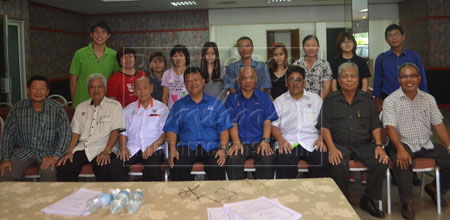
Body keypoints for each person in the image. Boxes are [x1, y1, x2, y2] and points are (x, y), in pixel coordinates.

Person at [318, 62, 388, 218]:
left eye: (353, 76)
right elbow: (324, 127)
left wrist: (378, 145)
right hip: (340, 145)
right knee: (336, 162)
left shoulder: (368, 100)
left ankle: (368, 199)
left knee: (381, 161)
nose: (349, 79)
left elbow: (375, 125)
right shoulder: (330, 99)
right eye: (345, 76)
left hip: (364, 144)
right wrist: (331, 148)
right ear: (339, 80)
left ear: (358, 79)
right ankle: (343, 200)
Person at [382, 63, 450, 220]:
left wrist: (448, 146)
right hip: (400, 142)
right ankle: (407, 202)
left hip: (425, 143)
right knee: (403, 161)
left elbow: (439, 125)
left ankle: (434, 189)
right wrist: (399, 148)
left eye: (412, 76)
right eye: (404, 76)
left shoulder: (428, 99)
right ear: (399, 79)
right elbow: (390, 128)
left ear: (419, 78)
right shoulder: (391, 101)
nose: (409, 79)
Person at [163, 67, 232, 181]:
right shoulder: (178, 106)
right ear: (184, 84)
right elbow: (172, 130)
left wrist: (223, 149)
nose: (193, 83)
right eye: (189, 81)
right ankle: (183, 198)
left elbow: (224, 129)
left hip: (211, 146)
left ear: (203, 81)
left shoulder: (216, 103)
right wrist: (172, 149)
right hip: (186, 146)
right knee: (178, 165)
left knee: (217, 164)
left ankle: (216, 198)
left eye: (196, 80)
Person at [0, 76, 71, 181]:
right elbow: (7, 134)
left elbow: (66, 134)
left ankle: (47, 198)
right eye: (34, 88)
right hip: (24, 151)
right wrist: (5, 158)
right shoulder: (17, 108)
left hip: (48, 152)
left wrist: (56, 156)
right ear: (28, 90)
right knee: (5, 172)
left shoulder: (57, 109)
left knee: (49, 172)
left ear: (47, 92)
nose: (38, 91)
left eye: (42, 88)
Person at [57, 74, 124, 181]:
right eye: (92, 87)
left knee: (104, 167)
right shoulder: (81, 107)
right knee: (64, 166)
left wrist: (107, 151)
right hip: (83, 147)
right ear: (88, 90)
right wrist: (69, 152)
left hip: (104, 147)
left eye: (99, 87)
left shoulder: (115, 106)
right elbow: (75, 132)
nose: (96, 90)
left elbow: (115, 132)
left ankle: (102, 197)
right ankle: (73, 197)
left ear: (105, 89)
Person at [272, 65, 329, 178]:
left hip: (312, 142)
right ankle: (287, 195)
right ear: (286, 83)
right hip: (288, 142)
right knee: (284, 163)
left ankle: (318, 194)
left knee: (322, 161)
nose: (295, 83)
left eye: (298, 80)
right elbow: (274, 126)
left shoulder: (316, 99)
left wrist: (321, 138)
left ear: (304, 83)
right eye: (291, 80)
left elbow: (324, 123)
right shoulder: (279, 101)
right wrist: (281, 141)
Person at [330, 32, 371, 184]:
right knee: (344, 134)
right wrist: (338, 100)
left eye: (350, 41)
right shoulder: (334, 62)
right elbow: (334, 86)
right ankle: (348, 171)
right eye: (343, 42)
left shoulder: (360, 61)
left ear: (354, 44)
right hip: (341, 101)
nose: (347, 44)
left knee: (361, 133)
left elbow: (365, 84)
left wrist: (363, 99)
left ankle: (365, 171)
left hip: (359, 101)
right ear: (339, 45)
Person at [225, 66, 278, 180]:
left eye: (250, 78)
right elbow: (232, 123)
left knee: (267, 158)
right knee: (233, 159)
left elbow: (267, 121)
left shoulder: (264, 98)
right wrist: (236, 142)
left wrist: (265, 140)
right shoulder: (232, 99)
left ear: (256, 79)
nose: (247, 81)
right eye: (244, 78)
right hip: (240, 142)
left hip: (259, 142)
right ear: (238, 80)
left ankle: (264, 194)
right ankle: (237, 195)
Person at [113, 76, 169, 181]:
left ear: (151, 88)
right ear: (134, 91)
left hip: (154, 148)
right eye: (139, 89)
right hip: (132, 148)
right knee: (116, 164)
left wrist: (153, 147)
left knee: (153, 167)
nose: (142, 91)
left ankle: (150, 195)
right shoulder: (128, 109)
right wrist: (123, 147)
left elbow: (165, 133)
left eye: (145, 88)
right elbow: (123, 132)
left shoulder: (162, 108)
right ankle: (122, 194)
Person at [373, 24, 428, 112]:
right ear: (386, 40)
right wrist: (377, 101)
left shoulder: (414, 56)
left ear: (403, 37)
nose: (394, 38)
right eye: (390, 35)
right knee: (389, 124)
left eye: (396, 34)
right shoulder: (381, 58)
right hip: (388, 98)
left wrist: (424, 98)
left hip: (412, 98)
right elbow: (377, 81)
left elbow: (421, 78)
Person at [69, 21, 120, 108]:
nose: (99, 35)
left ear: (108, 36)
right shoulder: (80, 53)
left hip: (104, 103)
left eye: (103, 32)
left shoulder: (114, 55)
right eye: (96, 32)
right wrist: (74, 101)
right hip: (82, 102)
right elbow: (73, 79)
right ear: (91, 35)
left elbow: (117, 79)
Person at [293, 35, 332, 100]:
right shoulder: (296, 65)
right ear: (303, 47)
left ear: (318, 47)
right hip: (300, 102)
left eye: (314, 45)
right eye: (308, 46)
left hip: (319, 103)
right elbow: (294, 85)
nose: (311, 48)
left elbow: (326, 88)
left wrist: (318, 103)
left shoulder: (325, 65)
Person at [161, 44, 190, 109]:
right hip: (172, 111)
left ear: (186, 57)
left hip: (188, 109)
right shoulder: (167, 74)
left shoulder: (192, 73)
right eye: (175, 56)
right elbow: (165, 96)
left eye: (181, 55)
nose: (178, 58)